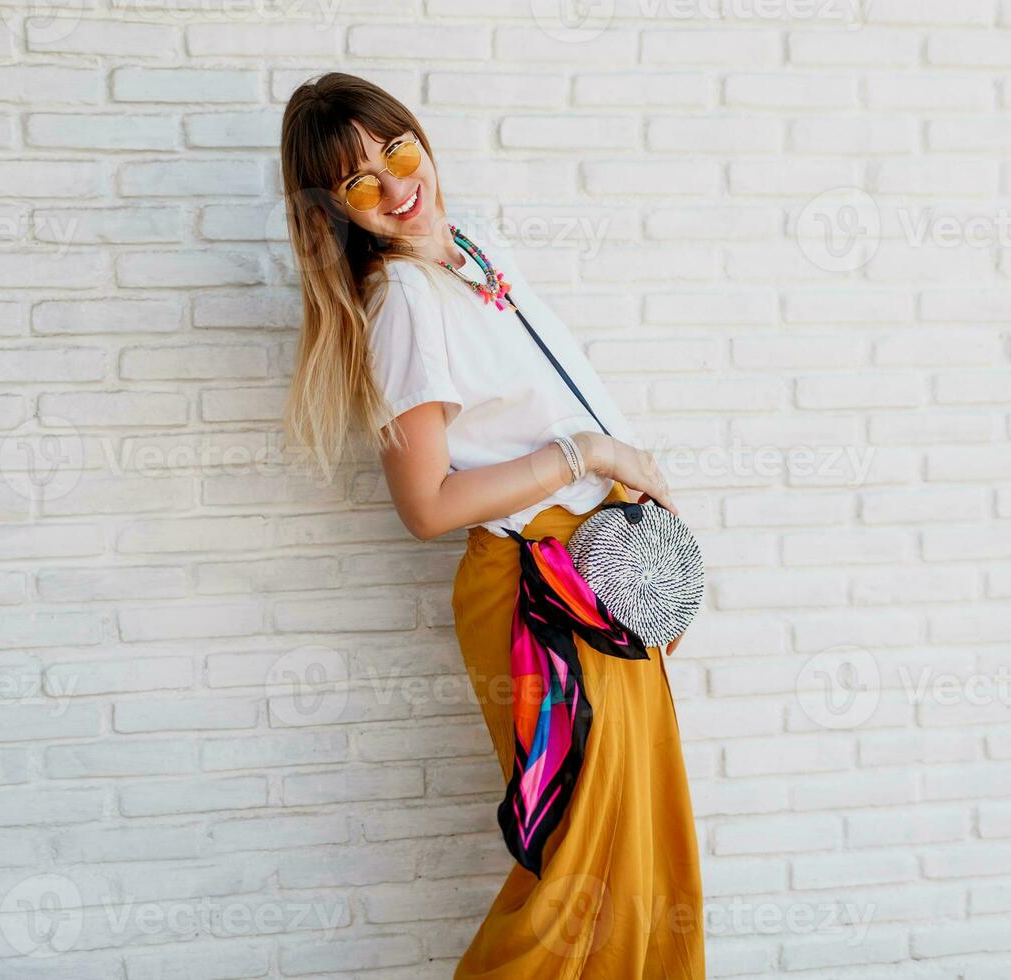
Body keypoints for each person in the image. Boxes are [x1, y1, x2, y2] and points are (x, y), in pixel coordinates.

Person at [278, 71, 706, 979]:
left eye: (397, 151)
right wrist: (592, 455)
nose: (397, 187)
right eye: (362, 182)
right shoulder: (402, 301)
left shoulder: (471, 255)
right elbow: (427, 504)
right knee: (582, 872)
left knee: (641, 849)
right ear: (336, 209)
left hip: (600, 581)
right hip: (543, 597)